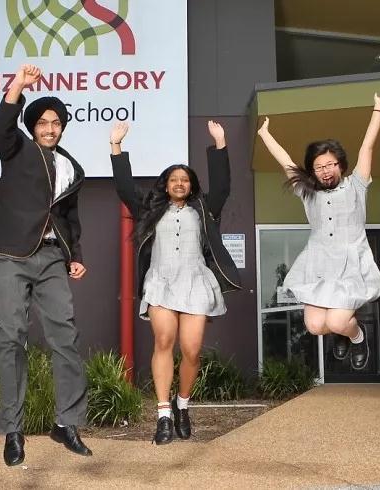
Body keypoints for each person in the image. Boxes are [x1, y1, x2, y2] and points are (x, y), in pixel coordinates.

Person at [109, 121, 242, 445]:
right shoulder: (150, 210)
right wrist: (116, 147)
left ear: (191, 185)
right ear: (165, 185)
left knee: (192, 351)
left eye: (185, 179)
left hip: (195, 282)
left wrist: (220, 143)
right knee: (164, 340)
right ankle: (164, 414)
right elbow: (125, 189)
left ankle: (183, 404)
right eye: (173, 179)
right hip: (162, 282)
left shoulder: (204, 209)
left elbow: (222, 187)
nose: (179, 183)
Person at [0, 64, 91, 466]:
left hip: (51, 257)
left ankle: (67, 423)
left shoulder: (72, 167)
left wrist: (75, 255)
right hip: (12, 253)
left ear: (63, 127)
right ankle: (13, 430)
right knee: (11, 337)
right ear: (32, 127)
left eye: (56, 123)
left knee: (65, 335)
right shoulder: (16, 149)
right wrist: (17, 85)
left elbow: (69, 217)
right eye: (43, 123)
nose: (50, 129)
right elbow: (1, 125)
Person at [256, 93, 380, 371]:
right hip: (318, 264)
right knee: (316, 325)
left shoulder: (356, 185)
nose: (325, 171)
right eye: (319, 167)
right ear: (313, 171)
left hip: (350, 262)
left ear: (340, 165)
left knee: (338, 321)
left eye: (330, 164)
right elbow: (286, 162)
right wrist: (264, 134)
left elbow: (367, 146)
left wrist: (378, 109)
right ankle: (340, 333)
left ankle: (357, 336)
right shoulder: (307, 192)